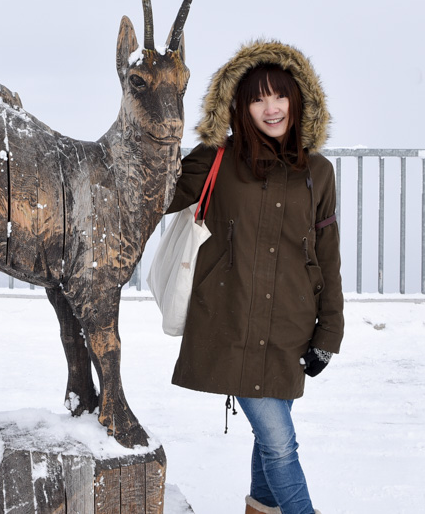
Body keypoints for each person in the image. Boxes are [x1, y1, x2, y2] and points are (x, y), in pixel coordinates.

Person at [166, 40, 344, 514]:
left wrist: (329, 331)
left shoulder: (318, 172)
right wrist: (160, 133)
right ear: (239, 107)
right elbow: (158, 195)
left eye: (280, 96)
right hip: (230, 322)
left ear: (298, 100)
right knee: (280, 443)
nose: (271, 108)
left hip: (289, 328)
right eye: (257, 98)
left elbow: (327, 255)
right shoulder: (217, 160)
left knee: (270, 440)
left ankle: (261, 508)